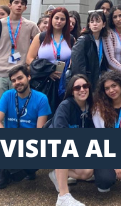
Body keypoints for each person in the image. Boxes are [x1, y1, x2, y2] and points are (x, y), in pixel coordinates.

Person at [0, 64, 51, 190]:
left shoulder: (41, 99)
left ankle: (25, 169)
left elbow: (40, 131)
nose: (17, 82)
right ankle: (4, 173)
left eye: (20, 78)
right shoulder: (7, 95)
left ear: (29, 77)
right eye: (13, 80)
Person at [0, 0, 40, 112]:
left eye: (22, 4)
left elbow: (40, 47)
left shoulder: (31, 26)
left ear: (25, 8)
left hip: (20, 73)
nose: (19, 6)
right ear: (10, 5)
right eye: (16, 2)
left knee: (18, 112)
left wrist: (31, 66)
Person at [48, 74, 100, 206]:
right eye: (77, 87)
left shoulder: (92, 107)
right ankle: (63, 197)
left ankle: (57, 173)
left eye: (85, 86)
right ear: (72, 91)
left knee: (87, 172)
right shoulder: (65, 106)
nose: (82, 89)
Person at [26, 7, 74, 113]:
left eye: (62, 19)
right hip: (43, 81)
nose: (59, 21)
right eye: (56, 18)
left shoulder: (70, 39)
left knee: (60, 112)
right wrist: (48, 71)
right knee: (42, 112)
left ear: (66, 22)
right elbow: (29, 59)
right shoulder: (40, 37)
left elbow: (73, 60)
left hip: (62, 82)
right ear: (51, 19)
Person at [69, 10, 107, 88]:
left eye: (98, 21)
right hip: (85, 83)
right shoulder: (83, 40)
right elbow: (78, 66)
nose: (95, 24)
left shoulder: (103, 40)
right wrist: (84, 84)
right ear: (89, 25)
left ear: (104, 24)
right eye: (92, 22)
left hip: (98, 82)